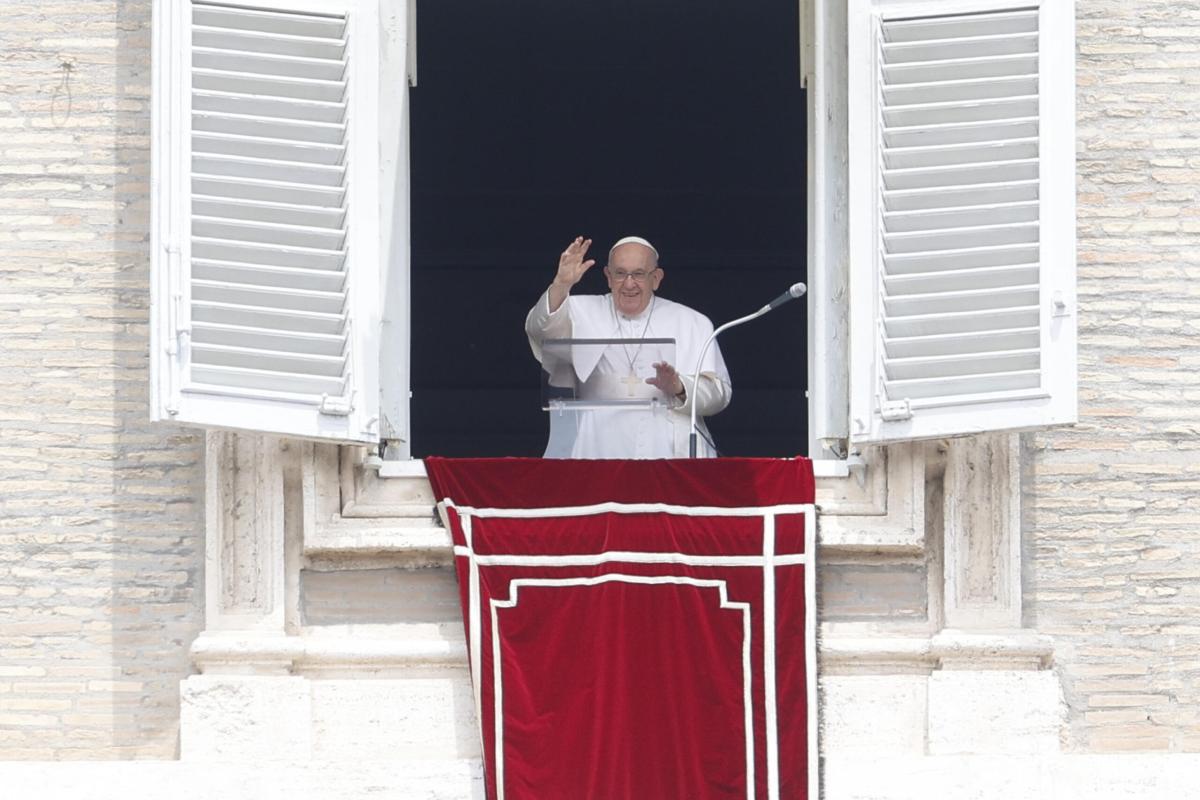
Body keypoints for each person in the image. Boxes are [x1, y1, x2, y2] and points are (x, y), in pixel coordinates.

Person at [526, 235, 731, 458]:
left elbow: (718, 395)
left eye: (639, 274)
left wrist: (679, 386)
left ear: (656, 278)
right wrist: (561, 285)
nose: (629, 283)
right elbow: (541, 330)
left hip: (668, 448)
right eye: (620, 273)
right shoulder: (579, 310)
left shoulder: (692, 322)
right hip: (596, 445)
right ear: (608, 276)